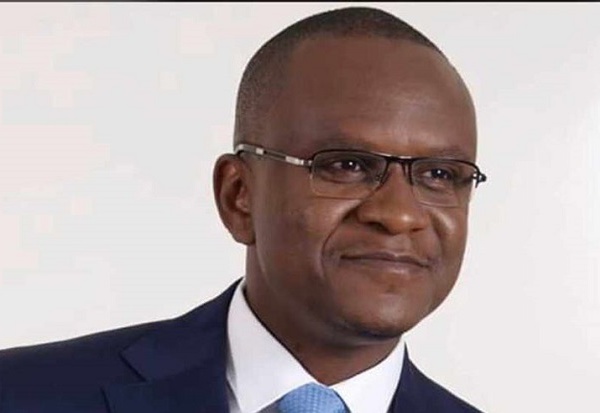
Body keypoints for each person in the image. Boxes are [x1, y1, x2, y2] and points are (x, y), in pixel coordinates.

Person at [0, 6, 487, 413]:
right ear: (238, 195)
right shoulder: (21, 394)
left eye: (440, 174)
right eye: (347, 165)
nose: (400, 214)